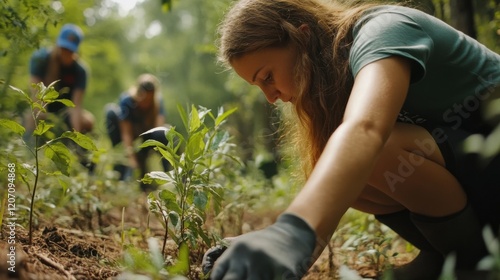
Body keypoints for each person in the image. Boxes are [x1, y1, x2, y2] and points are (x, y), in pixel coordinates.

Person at [205, 0, 500, 279]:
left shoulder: (383, 31)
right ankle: (444, 255)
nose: (270, 97)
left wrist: (290, 233)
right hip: (479, 170)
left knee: (376, 150)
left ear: (303, 37)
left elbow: (366, 129)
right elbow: (335, 187)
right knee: (348, 172)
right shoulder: (338, 75)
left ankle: (472, 264)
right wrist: (272, 248)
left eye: (267, 77)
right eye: (259, 86)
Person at [27, 23, 95, 170]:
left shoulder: (80, 71)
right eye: (63, 48)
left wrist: (76, 136)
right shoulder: (40, 59)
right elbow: (35, 96)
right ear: (57, 45)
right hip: (42, 106)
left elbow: (76, 106)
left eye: (69, 50)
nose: (66, 53)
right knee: (32, 116)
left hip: (66, 111)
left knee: (88, 121)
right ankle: (28, 157)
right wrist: (42, 115)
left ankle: (83, 163)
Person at [105, 73, 171, 191]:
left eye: (149, 100)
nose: (146, 103)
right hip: (128, 139)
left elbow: (159, 128)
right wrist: (132, 160)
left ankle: (171, 176)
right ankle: (121, 174)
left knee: (166, 132)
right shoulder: (127, 101)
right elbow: (126, 133)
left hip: (147, 138)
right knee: (110, 111)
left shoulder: (157, 102)